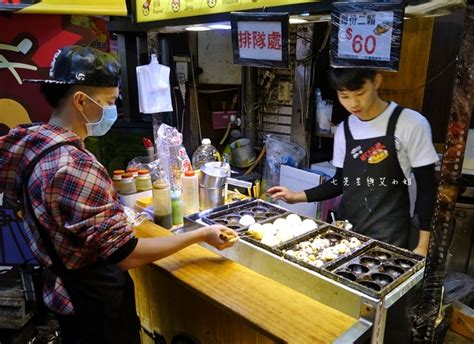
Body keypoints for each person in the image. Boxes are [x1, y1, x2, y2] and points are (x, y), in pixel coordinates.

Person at [0, 45, 238, 344]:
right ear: (81, 101)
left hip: (61, 291)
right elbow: (125, 254)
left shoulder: (32, 143)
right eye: (110, 102)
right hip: (93, 307)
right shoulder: (75, 165)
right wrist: (200, 236)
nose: (113, 110)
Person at [268, 68, 438, 256]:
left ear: (376, 81)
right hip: (346, 230)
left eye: (360, 93)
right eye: (344, 96)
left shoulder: (410, 123)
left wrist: (424, 245)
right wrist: (296, 196)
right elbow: (340, 182)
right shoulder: (345, 129)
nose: (353, 103)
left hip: (389, 233)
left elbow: (427, 189)